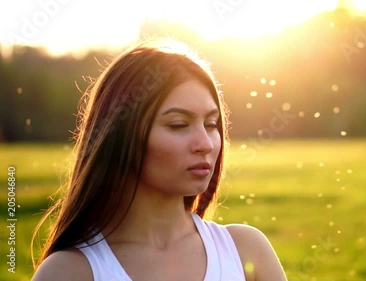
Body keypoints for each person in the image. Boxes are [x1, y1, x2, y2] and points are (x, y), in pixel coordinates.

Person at [31, 39, 287, 281]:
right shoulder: (69, 271)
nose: (206, 144)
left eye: (211, 124)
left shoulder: (247, 252)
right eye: (178, 125)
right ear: (120, 136)